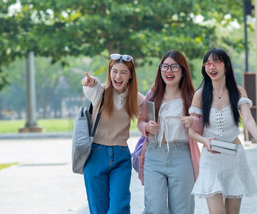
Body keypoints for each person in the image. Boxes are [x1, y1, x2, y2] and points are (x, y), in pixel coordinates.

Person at [188, 48, 257, 214]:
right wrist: (205, 141)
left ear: (226, 65)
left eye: (216, 62)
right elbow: (191, 132)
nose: (212, 67)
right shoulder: (200, 95)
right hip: (210, 160)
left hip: (235, 158)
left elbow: (247, 119)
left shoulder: (238, 91)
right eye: (208, 63)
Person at [137, 50, 202, 214]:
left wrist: (192, 121)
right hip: (154, 155)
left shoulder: (191, 97)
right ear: (160, 70)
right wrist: (146, 127)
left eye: (174, 67)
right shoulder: (152, 96)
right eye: (165, 67)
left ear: (183, 71)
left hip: (181, 155)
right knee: (155, 208)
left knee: (182, 208)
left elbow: (202, 125)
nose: (169, 71)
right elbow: (140, 121)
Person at [81, 54, 144, 214]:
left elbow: (153, 110)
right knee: (98, 209)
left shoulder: (135, 98)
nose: (118, 76)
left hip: (121, 157)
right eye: (114, 71)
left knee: (119, 208)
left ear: (130, 75)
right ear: (109, 72)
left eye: (123, 72)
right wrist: (90, 81)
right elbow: (91, 85)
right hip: (95, 156)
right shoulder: (99, 93)